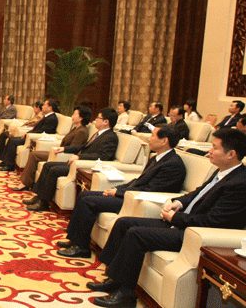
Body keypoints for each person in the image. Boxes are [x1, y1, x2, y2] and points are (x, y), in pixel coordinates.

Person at [88, 128, 246, 307]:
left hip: (193, 233)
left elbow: (214, 221)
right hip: (183, 221)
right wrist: (178, 202)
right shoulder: (222, 171)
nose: (209, 151)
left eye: (215, 147)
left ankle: (126, 295)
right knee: (124, 223)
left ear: (231, 154)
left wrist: (175, 218)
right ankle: (115, 278)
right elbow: (197, 193)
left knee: (136, 234)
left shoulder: (240, 183)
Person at [55, 124, 186, 259]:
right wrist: (118, 188)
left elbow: (151, 189)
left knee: (88, 201)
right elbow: (139, 181)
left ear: (164, 141)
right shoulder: (157, 158)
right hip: (129, 194)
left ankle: (82, 248)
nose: (149, 138)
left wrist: (119, 193)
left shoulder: (172, 164)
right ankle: (75, 239)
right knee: (84, 195)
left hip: (136, 201)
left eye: (153, 135)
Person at [24, 107, 119, 211]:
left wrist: (80, 157)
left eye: (98, 118)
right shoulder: (98, 133)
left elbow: (103, 156)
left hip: (84, 166)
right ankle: (39, 197)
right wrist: (65, 149)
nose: (95, 120)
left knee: (54, 170)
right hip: (78, 163)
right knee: (48, 165)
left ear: (106, 122)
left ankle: (43, 203)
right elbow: (83, 147)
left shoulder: (111, 137)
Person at [12, 106, 91, 192]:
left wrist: (63, 149)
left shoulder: (82, 131)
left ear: (81, 118)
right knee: (34, 154)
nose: (72, 116)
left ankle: (25, 183)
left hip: (64, 155)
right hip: (58, 152)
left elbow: (75, 148)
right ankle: (27, 182)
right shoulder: (76, 128)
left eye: (75, 114)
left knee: (34, 155)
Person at [0, 99, 59, 172]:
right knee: (11, 139)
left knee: (13, 142)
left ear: (50, 107)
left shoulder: (52, 118)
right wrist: (27, 133)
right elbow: (36, 128)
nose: (42, 106)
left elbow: (44, 131)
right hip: (31, 135)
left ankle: (9, 165)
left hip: (35, 138)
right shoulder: (47, 116)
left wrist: (29, 134)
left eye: (44, 105)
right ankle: (5, 162)